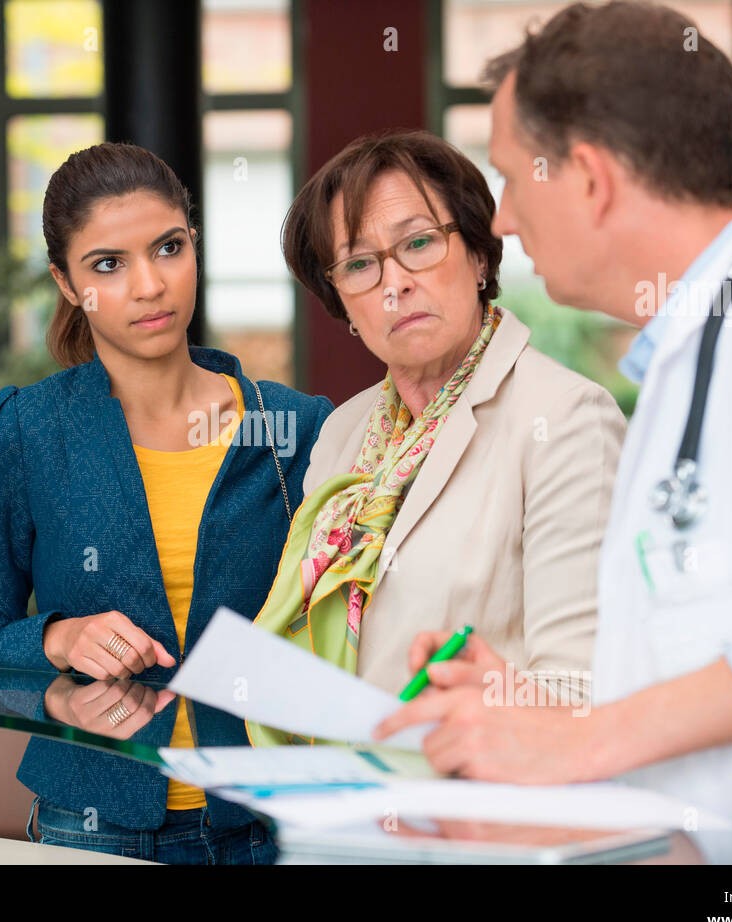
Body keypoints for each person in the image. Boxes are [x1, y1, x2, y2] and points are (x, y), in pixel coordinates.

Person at [375, 1, 732, 863]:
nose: (500, 217)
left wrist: (589, 739)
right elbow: (719, 660)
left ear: (588, 176)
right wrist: (541, 713)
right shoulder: (679, 365)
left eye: (511, 175)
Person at [0, 142, 333, 863]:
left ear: (195, 245)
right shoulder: (26, 431)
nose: (150, 284)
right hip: (92, 825)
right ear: (66, 282)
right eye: (108, 265)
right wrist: (57, 637)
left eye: (168, 247)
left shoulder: (297, 430)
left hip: (269, 821)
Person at [247, 129, 626, 745]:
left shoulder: (566, 418)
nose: (393, 283)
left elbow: (578, 693)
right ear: (341, 303)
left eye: (418, 243)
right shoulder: (343, 430)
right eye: (360, 265)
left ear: (479, 256)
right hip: (338, 802)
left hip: (477, 815)